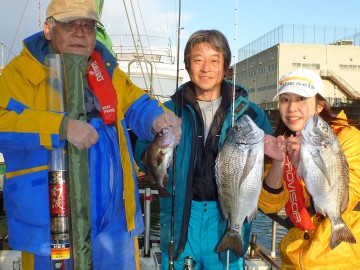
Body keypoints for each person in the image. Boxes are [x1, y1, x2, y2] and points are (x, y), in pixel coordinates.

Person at [0, 0, 181, 269]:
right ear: (48, 29)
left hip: (113, 224)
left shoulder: (107, 69)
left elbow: (138, 104)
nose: (80, 32)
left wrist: (158, 118)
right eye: (69, 24)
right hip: (49, 223)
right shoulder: (19, 73)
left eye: (87, 25)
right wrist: (60, 128)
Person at [135, 29, 272, 269]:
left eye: (214, 60)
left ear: (226, 66)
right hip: (180, 217)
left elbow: (268, 165)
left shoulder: (249, 114)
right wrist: (155, 135)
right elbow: (143, 156)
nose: (206, 68)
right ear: (188, 66)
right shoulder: (167, 110)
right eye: (198, 60)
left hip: (226, 215)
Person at [259, 68, 360, 269]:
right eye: (285, 100)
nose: (291, 108)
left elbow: (348, 197)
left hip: (340, 259)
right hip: (295, 257)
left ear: (319, 105)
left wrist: (305, 165)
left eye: (301, 99)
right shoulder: (283, 143)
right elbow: (268, 205)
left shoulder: (347, 138)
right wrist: (279, 161)